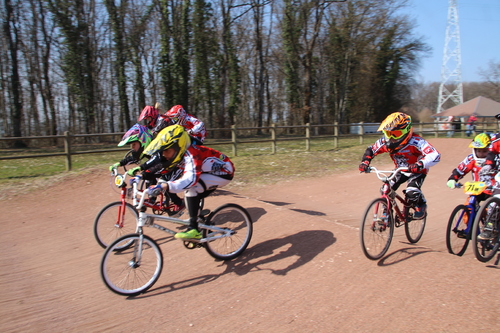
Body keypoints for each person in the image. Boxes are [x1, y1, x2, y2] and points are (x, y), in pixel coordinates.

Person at [129, 125, 234, 239]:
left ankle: (194, 229)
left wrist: (165, 186)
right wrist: (142, 176)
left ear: (177, 146)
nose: (164, 154)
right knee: (191, 199)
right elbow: (162, 167)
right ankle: (202, 224)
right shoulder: (180, 153)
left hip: (224, 172)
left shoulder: (192, 154)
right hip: (208, 171)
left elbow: (189, 180)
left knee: (191, 189)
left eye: (167, 151)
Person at [358, 112, 441, 218]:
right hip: (400, 170)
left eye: (396, 134)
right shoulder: (386, 142)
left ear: (406, 131)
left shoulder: (416, 142)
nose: (392, 137)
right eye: (388, 133)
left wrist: (420, 164)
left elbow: (435, 154)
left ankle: (421, 204)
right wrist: (365, 162)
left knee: (412, 193)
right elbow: (371, 149)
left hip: (417, 171)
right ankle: (386, 212)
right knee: (385, 189)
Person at [446, 133, 494, 205]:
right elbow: (460, 170)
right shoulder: (471, 159)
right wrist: (452, 178)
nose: (481, 154)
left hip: (493, 190)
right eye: (479, 151)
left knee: (494, 210)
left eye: (485, 151)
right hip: (477, 190)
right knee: (469, 205)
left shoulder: (496, 159)